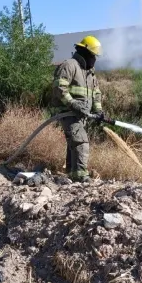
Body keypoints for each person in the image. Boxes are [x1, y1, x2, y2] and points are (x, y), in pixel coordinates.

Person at [51, 35, 108, 182]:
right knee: (81, 142)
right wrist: (73, 104)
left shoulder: (90, 73)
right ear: (85, 52)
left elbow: (96, 93)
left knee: (74, 143)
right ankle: (81, 176)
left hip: (81, 115)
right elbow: (59, 87)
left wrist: (98, 111)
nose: (94, 59)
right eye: (93, 56)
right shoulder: (70, 65)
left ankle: (71, 173)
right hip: (68, 113)